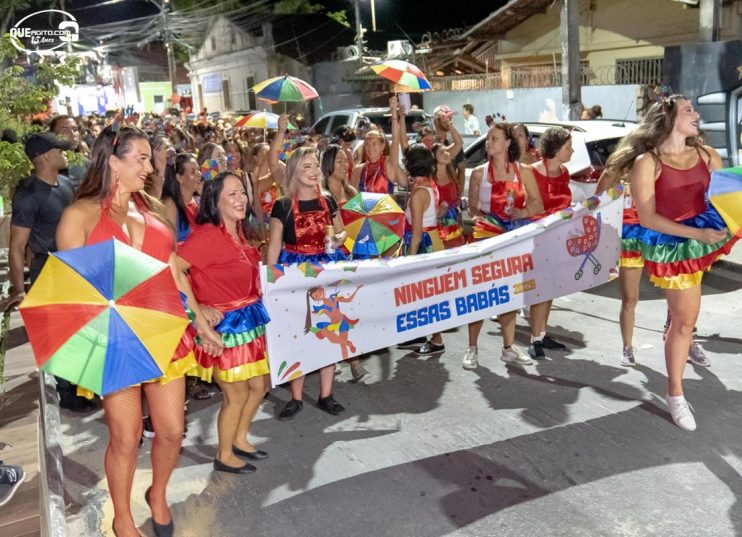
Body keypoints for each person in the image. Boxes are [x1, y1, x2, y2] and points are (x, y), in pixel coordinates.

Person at [56, 125, 223, 537]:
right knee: (126, 437)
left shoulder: (151, 210)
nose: (150, 168)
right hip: (114, 338)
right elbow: (69, 287)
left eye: (150, 159)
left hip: (163, 330)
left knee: (171, 430)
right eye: (142, 158)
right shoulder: (79, 215)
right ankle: (123, 518)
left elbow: (173, 270)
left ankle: (158, 494)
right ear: (113, 162)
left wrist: (201, 323)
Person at [608, 94, 739, 431]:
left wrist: (726, 219)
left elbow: (722, 200)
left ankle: (681, 353)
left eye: (694, 109)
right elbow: (649, 219)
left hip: (700, 238)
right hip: (672, 246)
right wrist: (696, 235)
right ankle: (675, 394)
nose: (696, 114)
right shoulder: (647, 163)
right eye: (688, 110)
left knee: (685, 319)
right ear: (669, 119)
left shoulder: (708, 155)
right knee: (684, 321)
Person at [176, 171, 270, 474]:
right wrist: (198, 310)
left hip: (249, 323)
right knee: (237, 393)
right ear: (214, 202)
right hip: (225, 330)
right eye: (232, 194)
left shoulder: (240, 233)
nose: (241, 198)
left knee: (260, 386)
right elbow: (173, 269)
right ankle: (224, 454)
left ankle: (240, 438)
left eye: (242, 192)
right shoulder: (207, 236)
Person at [266, 117, 348, 420]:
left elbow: (343, 233)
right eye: (307, 167)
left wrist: (336, 238)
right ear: (295, 174)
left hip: (325, 270)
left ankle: (327, 394)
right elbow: (274, 246)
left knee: (329, 328)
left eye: (316, 166)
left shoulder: (328, 200)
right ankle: (296, 397)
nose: (314, 172)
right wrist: (271, 282)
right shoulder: (283, 205)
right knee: (295, 332)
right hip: (294, 273)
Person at [9, 133, 97, 411]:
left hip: (72, 265)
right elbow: (16, 246)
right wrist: (19, 289)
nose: (64, 155)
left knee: (79, 329)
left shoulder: (64, 185)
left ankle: (81, 385)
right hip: (47, 269)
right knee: (59, 334)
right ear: (45, 156)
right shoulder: (28, 195)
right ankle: (66, 391)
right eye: (59, 150)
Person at [464, 123, 544, 370]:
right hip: (486, 240)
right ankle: (472, 348)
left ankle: (508, 348)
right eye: (488, 139)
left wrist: (520, 211)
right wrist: (486, 220)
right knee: (479, 295)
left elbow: (537, 204)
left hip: (513, 240)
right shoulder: (478, 173)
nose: (489, 143)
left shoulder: (524, 171)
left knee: (510, 293)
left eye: (494, 138)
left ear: (508, 143)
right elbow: (472, 208)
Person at [527, 127, 574, 359]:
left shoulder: (564, 172)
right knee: (540, 287)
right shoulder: (532, 172)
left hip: (558, 236)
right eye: (569, 147)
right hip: (538, 239)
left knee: (552, 286)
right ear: (555, 148)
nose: (572, 150)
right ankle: (534, 338)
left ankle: (542, 332)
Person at [351, 97, 408, 193]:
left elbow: (395, 141)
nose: (370, 147)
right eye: (367, 144)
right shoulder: (357, 170)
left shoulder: (389, 165)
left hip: (388, 208)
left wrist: (394, 113)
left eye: (374, 143)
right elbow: (353, 199)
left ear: (382, 146)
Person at [162, 153, 201, 245]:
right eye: (192, 171)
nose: (199, 174)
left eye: (198, 170)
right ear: (179, 178)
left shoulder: (199, 202)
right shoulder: (170, 204)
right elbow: (169, 244)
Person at [50, 115, 88, 189]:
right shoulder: (45, 165)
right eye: (65, 130)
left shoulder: (86, 164)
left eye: (75, 129)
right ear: (53, 135)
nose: (73, 134)